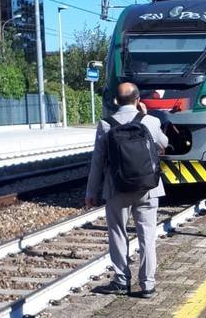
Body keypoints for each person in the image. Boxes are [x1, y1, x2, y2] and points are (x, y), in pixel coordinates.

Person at [85, 82, 168, 298]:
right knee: (147, 235)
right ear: (138, 100)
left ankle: (122, 280)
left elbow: (97, 161)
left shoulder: (105, 124)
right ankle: (148, 284)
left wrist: (91, 192)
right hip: (148, 188)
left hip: (116, 188)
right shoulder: (150, 121)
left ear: (116, 102)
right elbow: (164, 144)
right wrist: (147, 117)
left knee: (118, 233)